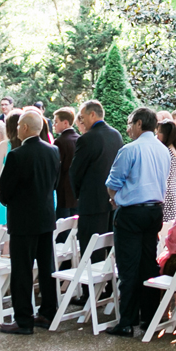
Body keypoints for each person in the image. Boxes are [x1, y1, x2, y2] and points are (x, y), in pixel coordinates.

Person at [105, 107, 170, 336]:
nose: (128, 127)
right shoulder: (163, 150)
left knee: (128, 266)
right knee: (147, 263)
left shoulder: (129, 149)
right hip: (154, 211)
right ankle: (149, 315)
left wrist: (115, 199)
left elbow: (113, 182)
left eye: (130, 122)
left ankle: (127, 321)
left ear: (140, 123)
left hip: (131, 212)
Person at [0, 111, 60, 334]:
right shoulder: (53, 151)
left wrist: (8, 199)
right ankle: (47, 312)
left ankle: (23, 320)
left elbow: (4, 192)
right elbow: (54, 183)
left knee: (22, 271)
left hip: (23, 221)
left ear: (23, 128)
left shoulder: (17, 155)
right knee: (46, 268)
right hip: (45, 218)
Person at [71, 100, 122, 259]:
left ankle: (90, 284)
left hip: (91, 203)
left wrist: (80, 195)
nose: (81, 120)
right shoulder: (116, 135)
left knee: (91, 253)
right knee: (109, 252)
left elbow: (75, 172)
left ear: (92, 114)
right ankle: (108, 284)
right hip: (111, 202)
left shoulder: (87, 139)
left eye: (82, 116)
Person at [157, 119, 176, 225]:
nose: (157, 135)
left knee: (164, 228)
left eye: (160, 132)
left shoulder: (165, 151)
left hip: (166, 194)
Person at [53, 107, 79, 215]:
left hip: (63, 190)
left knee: (62, 226)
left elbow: (56, 167)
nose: (54, 125)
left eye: (56, 122)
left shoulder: (60, 142)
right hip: (76, 189)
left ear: (65, 123)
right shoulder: (79, 138)